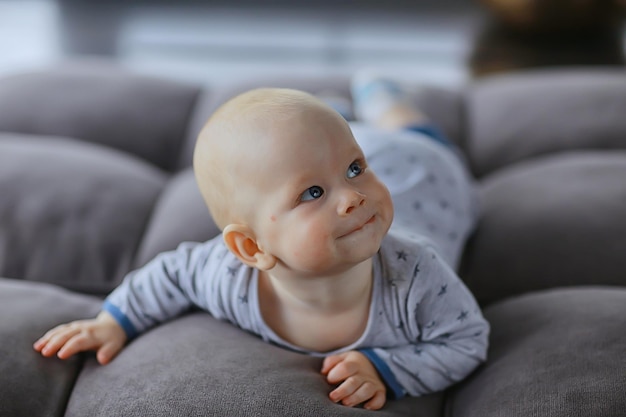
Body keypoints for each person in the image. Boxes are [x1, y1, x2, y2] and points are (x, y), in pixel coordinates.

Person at [34, 74, 489, 411]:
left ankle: (382, 102)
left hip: (426, 176)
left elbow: (467, 341)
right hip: (384, 157)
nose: (354, 197)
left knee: (419, 139)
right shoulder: (228, 278)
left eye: (355, 170)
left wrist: (389, 371)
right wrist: (114, 321)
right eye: (312, 193)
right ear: (252, 250)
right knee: (334, 142)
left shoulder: (415, 275)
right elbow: (169, 275)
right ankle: (346, 118)